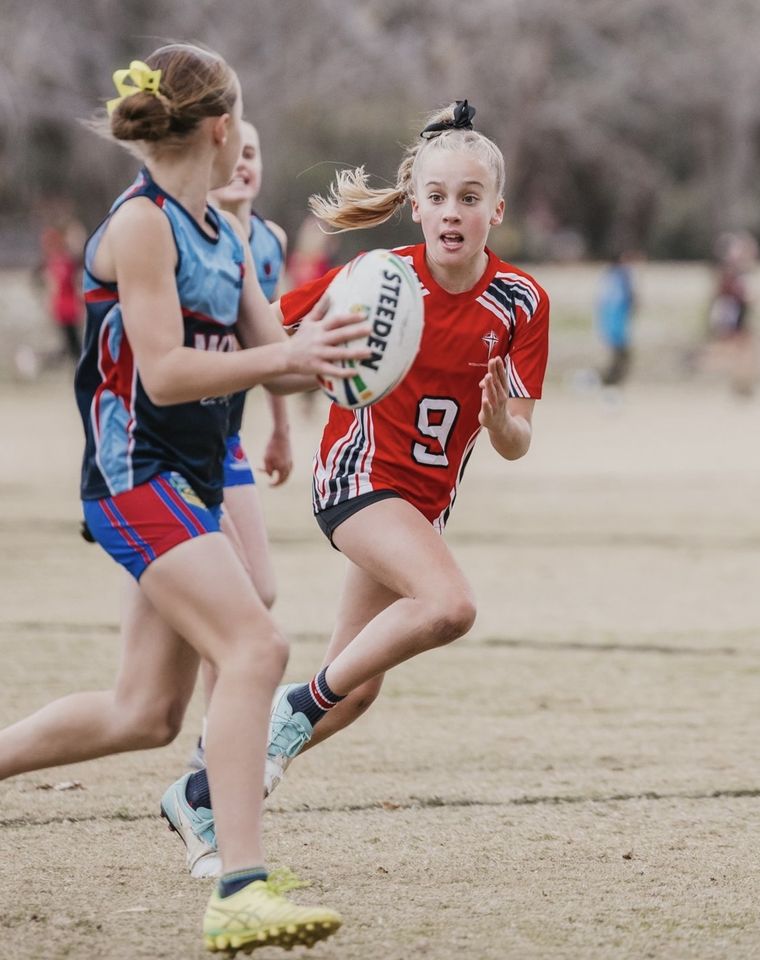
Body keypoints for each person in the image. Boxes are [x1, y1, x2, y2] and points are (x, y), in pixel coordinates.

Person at [0, 43, 372, 954]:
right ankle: (240, 884)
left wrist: (343, 337)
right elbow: (164, 374)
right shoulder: (143, 225)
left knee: (146, 714)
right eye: (241, 123)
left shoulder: (229, 233)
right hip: (135, 478)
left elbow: (273, 350)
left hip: (190, 483)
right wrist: (288, 356)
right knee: (258, 641)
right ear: (221, 127)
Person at [165, 99, 550, 876]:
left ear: (495, 210)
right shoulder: (379, 276)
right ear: (416, 205)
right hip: (359, 480)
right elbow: (265, 331)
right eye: (437, 197)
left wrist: (501, 419)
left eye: (469, 199)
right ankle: (282, 722)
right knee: (448, 606)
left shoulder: (521, 303)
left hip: (422, 507)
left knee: (361, 687)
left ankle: (202, 793)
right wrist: (274, 385)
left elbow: (515, 440)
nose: (452, 212)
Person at [188, 121, 292, 772]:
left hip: (229, 441)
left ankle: (212, 735)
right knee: (235, 606)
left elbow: (272, 344)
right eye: (237, 152)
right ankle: (212, 742)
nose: (244, 164)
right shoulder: (192, 238)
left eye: (255, 153)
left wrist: (281, 427)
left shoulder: (271, 242)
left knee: (262, 590)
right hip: (181, 442)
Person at [596, 251, 636, 389]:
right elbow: (631, 298)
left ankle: (611, 381)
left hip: (612, 319)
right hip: (616, 319)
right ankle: (611, 381)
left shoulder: (608, 277)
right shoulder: (620, 277)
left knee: (617, 353)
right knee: (619, 353)